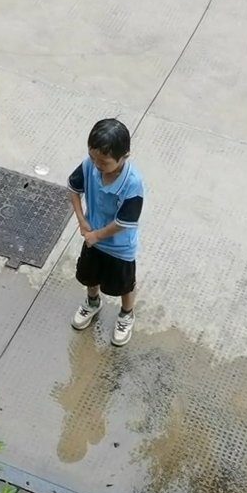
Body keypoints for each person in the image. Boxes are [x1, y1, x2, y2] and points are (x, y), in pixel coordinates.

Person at [68, 118, 144, 347]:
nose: (97, 165)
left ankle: (126, 314)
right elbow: (73, 189)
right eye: (93, 157)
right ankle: (92, 302)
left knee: (124, 284)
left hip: (119, 246)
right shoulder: (89, 165)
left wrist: (97, 235)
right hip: (93, 238)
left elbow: (125, 222)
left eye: (104, 161)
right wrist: (82, 222)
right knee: (90, 275)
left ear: (124, 156)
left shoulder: (133, 183)